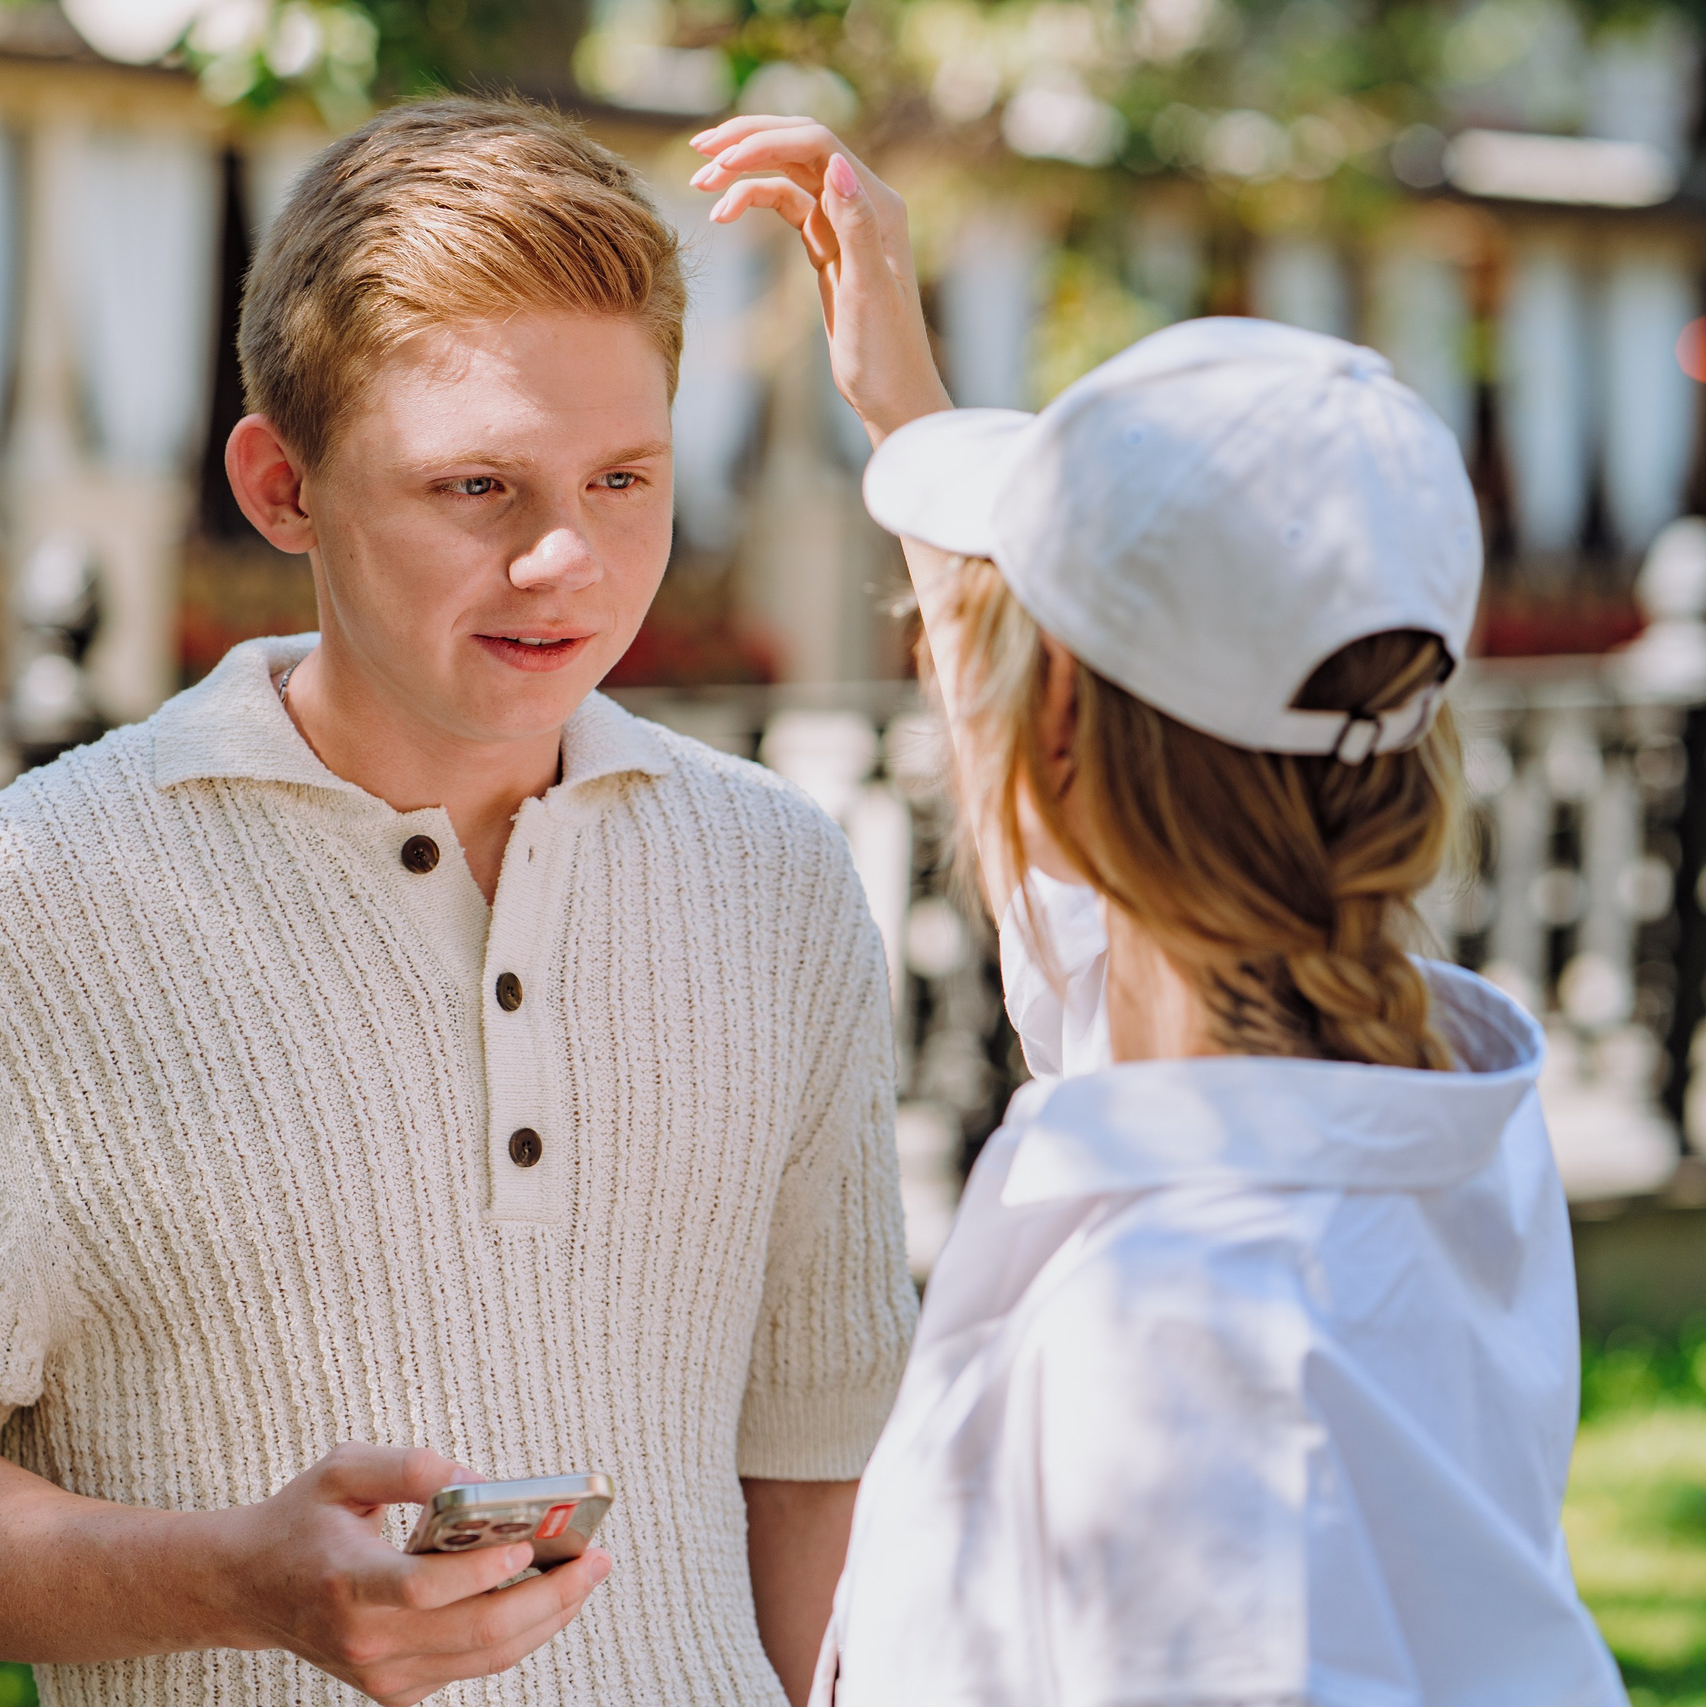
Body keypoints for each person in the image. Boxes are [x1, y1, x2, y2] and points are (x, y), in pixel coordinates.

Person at [0, 100, 917, 1707]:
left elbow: (818, 1465)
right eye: (477, 487)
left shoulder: (778, 878)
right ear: (280, 487)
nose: (567, 560)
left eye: (624, 477)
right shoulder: (22, 911)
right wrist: (232, 1581)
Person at [692, 117, 1631, 1705]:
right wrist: (909, 418)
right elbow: (1098, 942)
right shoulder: (1412, 1116)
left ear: (1056, 725)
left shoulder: (1185, 1338)